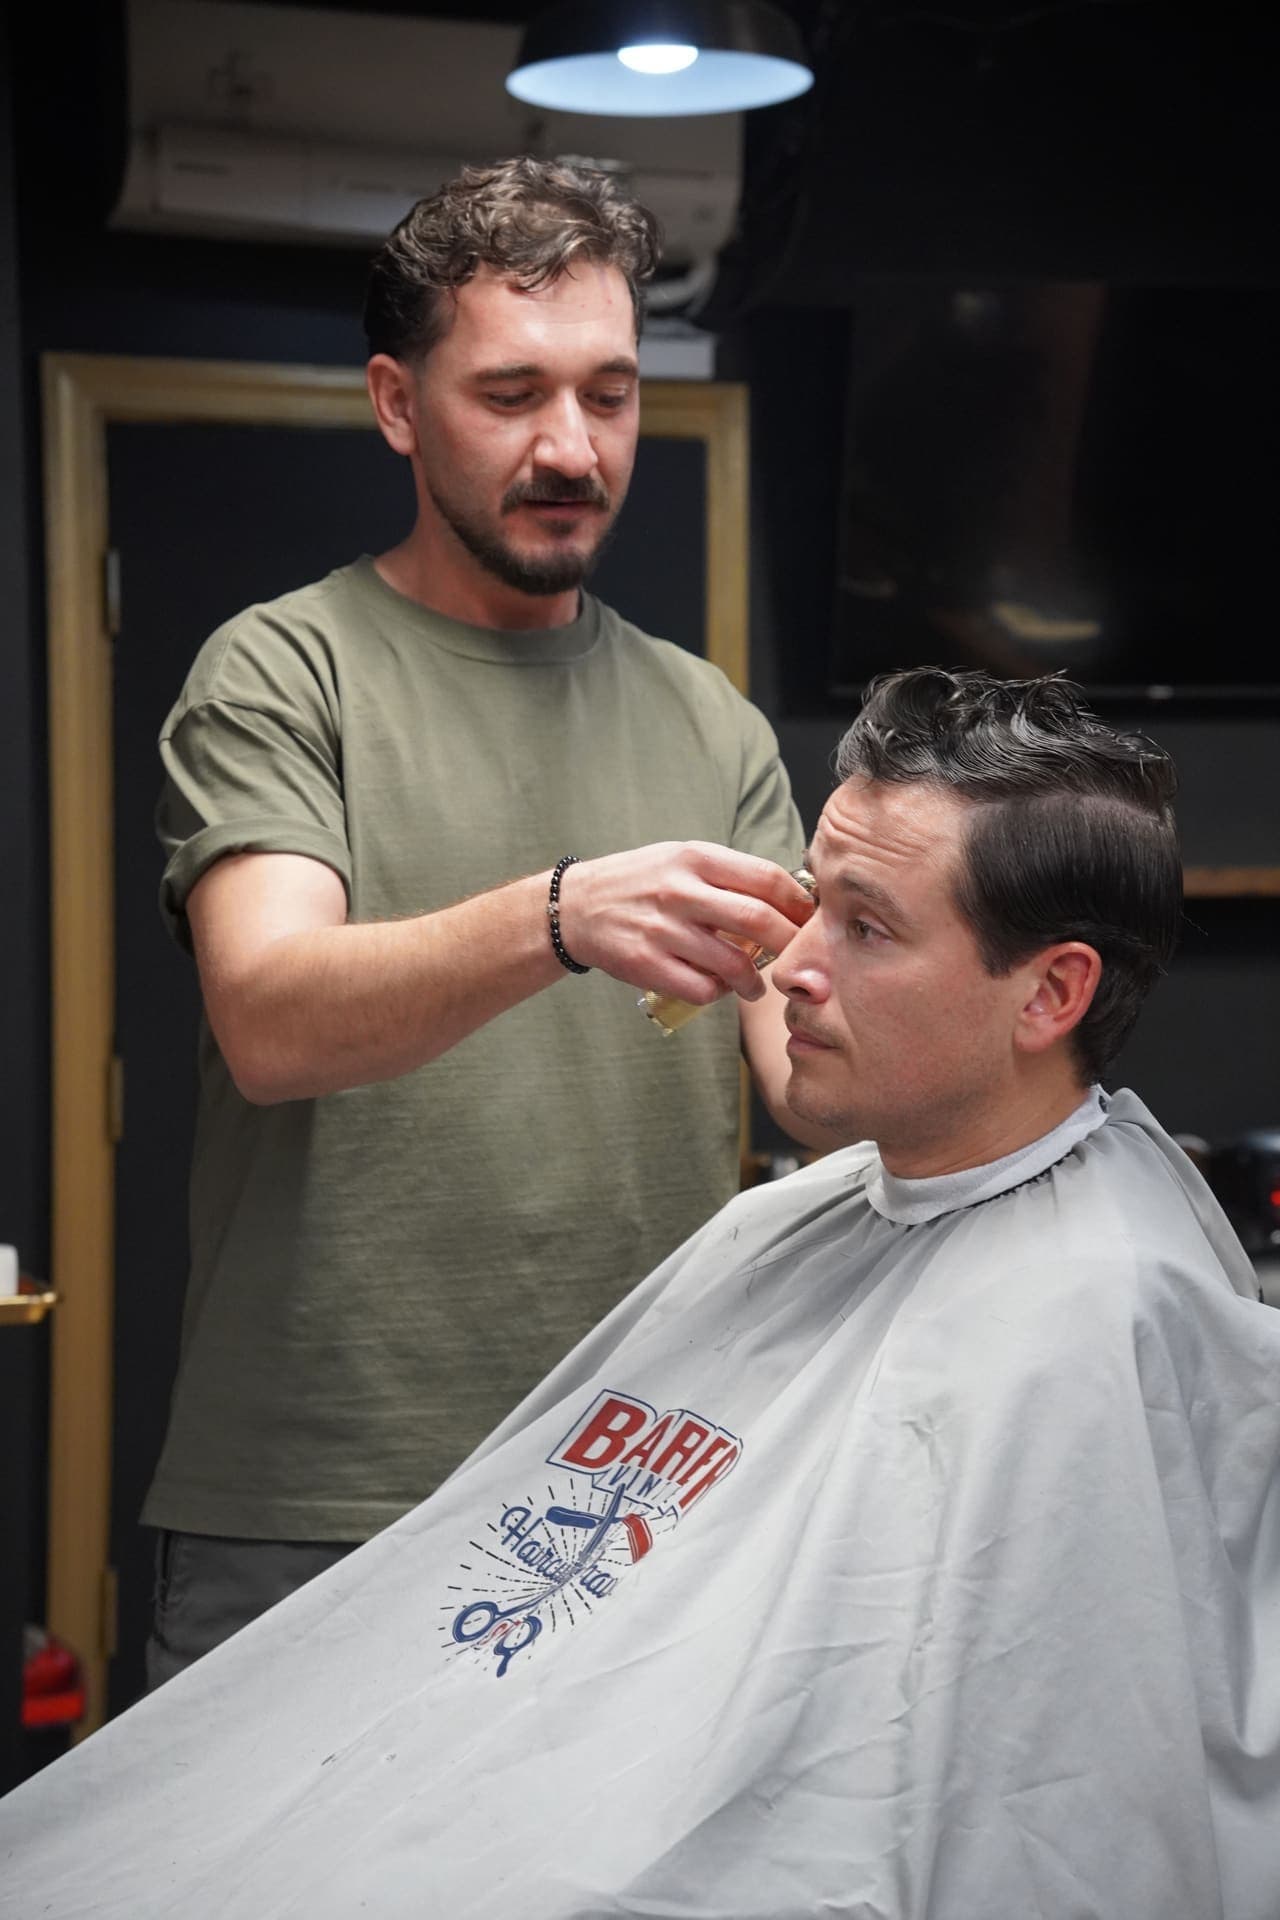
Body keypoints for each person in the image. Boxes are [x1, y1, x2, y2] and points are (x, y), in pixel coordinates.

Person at [6, 667, 1278, 1919]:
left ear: (1049, 992)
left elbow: (1034, 1827)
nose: (786, 970)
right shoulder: (800, 1223)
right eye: (808, 907)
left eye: (867, 928)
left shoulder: (1088, 1326)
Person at [139, 156, 820, 1688]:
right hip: (313, 1502)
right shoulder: (279, 672)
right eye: (511, 395)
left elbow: (811, 1080)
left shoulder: (712, 725)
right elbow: (270, 1017)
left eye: (611, 394)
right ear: (398, 404)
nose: (572, 448)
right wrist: (565, 915)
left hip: (619, 1495)